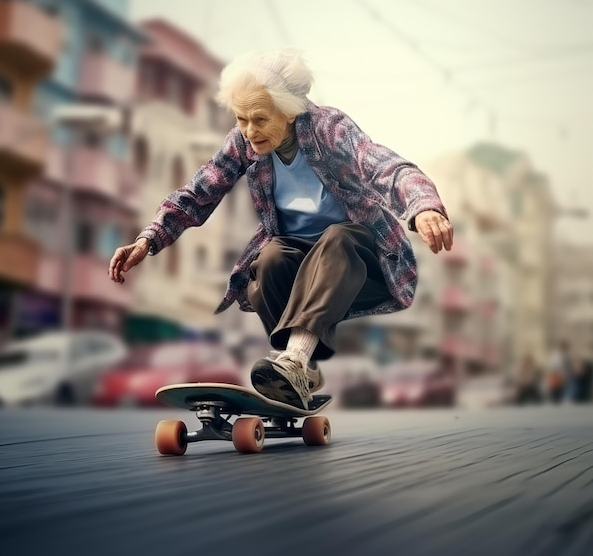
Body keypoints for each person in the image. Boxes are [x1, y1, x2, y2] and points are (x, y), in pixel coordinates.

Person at [108, 48, 453, 409]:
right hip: (298, 263)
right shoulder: (243, 143)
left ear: (290, 111)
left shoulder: (328, 129)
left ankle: (295, 359)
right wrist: (147, 240)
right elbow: (198, 193)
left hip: (361, 260)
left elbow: (384, 165)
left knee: (337, 238)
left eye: (260, 119)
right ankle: (302, 368)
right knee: (268, 259)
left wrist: (423, 206)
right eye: (241, 119)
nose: (249, 131)